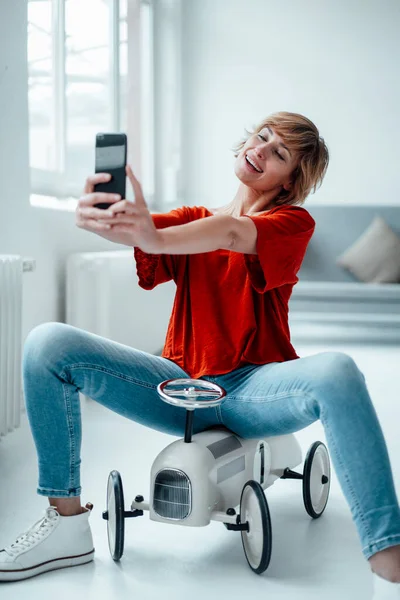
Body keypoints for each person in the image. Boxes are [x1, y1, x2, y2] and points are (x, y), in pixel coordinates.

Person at [0, 112, 399, 598]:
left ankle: (387, 549)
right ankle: (65, 526)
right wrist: (101, 217)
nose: (262, 149)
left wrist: (151, 235)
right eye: (263, 137)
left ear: (290, 179)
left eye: (279, 154)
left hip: (253, 390)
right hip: (180, 388)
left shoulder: (291, 223)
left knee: (337, 370)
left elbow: (231, 234)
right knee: (47, 342)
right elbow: (139, 231)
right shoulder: (192, 222)